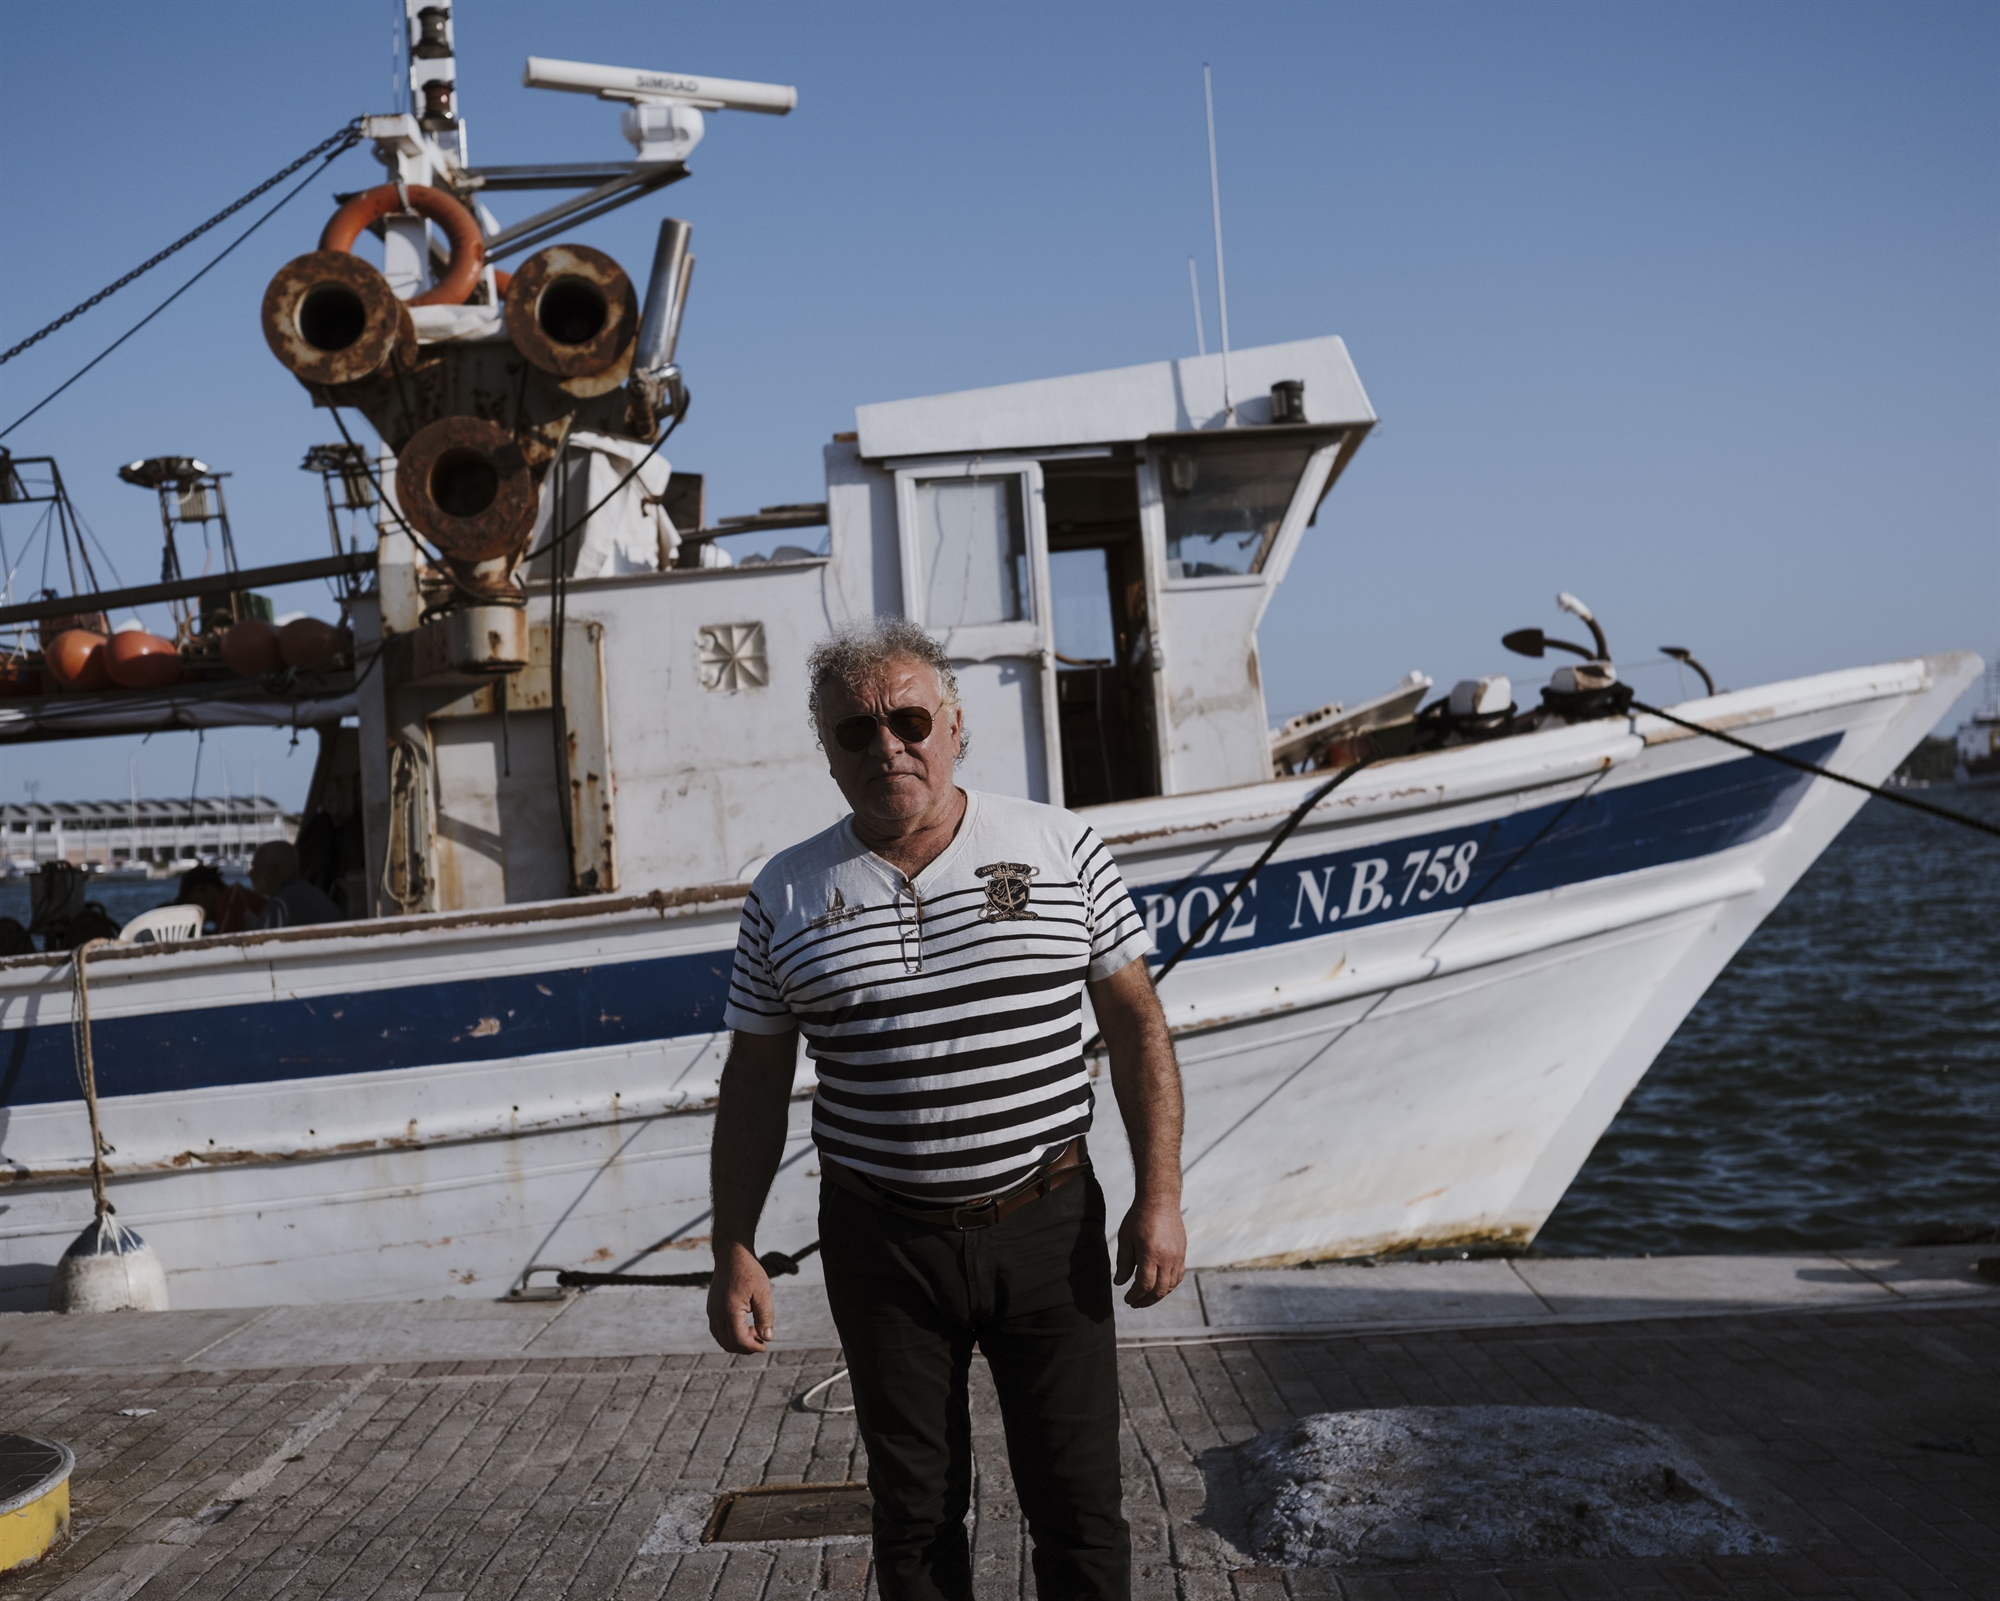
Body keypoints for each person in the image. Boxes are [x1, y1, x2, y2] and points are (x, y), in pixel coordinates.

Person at [708, 617, 1187, 1601]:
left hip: (1046, 1223)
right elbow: (754, 1078)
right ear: (829, 753)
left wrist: (1161, 1194)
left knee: (1078, 1503)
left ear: (953, 726)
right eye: (856, 731)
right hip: (880, 1242)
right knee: (914, 1510)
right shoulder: (785, 892)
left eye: (908, 718)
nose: (887, 744)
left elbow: (1135, 1020)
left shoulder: (1059, 846)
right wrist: (733, 1244)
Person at [249, 839, 344, 929]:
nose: (250, 873)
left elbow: (263, 944)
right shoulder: (309, 893)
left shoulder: (280, 905)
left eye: (256, 866)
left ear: (272, 873)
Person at [173, 862, 265, 935]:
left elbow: (226, 947)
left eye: (196, 903)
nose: (196, 912)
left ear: (206, 890)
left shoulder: (230, 902)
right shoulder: (236, 896)